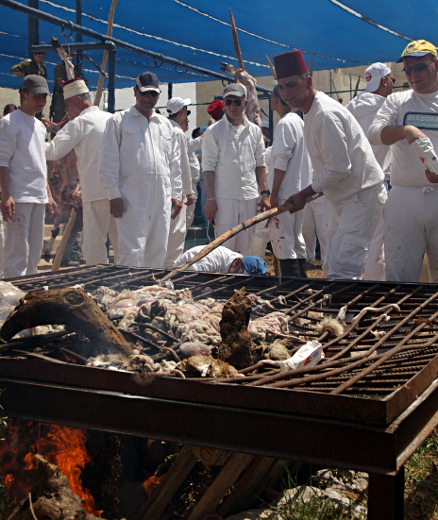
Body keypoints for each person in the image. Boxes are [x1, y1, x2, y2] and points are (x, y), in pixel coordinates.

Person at [274, 50, 386, 280]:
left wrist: (305, 193)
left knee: (343, 270)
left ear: (308, 82)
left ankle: (344, 316)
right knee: (332, 266)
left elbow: (338, 168)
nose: (286, 93)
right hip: (345, 198)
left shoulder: (324, 115)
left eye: (292, 85)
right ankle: (337, 314)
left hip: (360, 197)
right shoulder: (311, 111)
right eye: (282, 87)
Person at [368, 40, 438, 282]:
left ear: (436, 64)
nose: (412, 75)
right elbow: (375, 133)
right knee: (400, 274)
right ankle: (403, 320)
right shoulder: (397, 101)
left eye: (419, 68)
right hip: (404, 197)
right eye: (407, 70)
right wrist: (406, 130)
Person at [99, 71, 182, 268]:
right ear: (135, 92)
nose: (148, 98)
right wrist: (113, 194)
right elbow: (108, 160)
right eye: (144, 93)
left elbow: (174, 162)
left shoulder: (165, 125)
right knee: (131, 250)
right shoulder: (118, 121)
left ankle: (149, 292)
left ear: (159, 95)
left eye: (152, 94)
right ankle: (128, 294)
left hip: (161, 198)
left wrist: (176, 194)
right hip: (131, 198)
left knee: (158, 248)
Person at [45, 78, 117, 266]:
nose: (66, 111)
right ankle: (125, 284)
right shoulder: (113, 119)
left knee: (94, 247)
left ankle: (98, 285)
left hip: (94, 194)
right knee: (122, 245)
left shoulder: (80, 123)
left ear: (78, 101)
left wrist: (23, 146)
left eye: (67, 105)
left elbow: (52, 151)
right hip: (118, 193)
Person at [202, 83, 270, 256]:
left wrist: (265, 194)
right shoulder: (214, 132)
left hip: (249, 196)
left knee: (247, 246)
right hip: (224, 198)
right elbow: (208, 168)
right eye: (229, 102)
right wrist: (210, 199)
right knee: (225, 248)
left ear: (245, 104)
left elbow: (260, 165)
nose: (232, 106)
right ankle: (224, 282)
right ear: (224, 104)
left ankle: (244, 282)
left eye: (237, 102)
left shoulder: (255, 132)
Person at [0, 75, 56, 278]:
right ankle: (12, 302)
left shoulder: (40, 126)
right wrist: (6, 194)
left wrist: (47, 193)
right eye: (37, 96)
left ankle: (31, 297)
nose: (41, 101)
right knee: (17, 253)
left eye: (44, 97)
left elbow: (40, 161)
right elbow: (2, 161)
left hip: (37, 195)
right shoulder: (9, 123)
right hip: (19, 196)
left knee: (33, 254)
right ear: (23, 95)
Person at [347, 62, 395, 280]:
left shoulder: (351, 107)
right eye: (392, 79)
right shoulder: (389, 108)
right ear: (384, 81)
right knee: (377, 242)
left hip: (350, 184)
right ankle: (373, 291)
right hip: (376, 183)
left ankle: (349, 289)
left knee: (351, 241)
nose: (394, 83)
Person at [267, 85, 313, 277]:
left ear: (277, 99)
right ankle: (301, 285)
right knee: (296, 238)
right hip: (298, 190)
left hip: (286, 192)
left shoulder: (285, 124)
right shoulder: (299, 122)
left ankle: (291, 288)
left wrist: (274, 193)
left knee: (284, 239)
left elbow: (281, 161)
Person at [164, 97, 196, 266]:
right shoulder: (177, 133)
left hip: (161, 190)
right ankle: (170, 271)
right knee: (175, 234)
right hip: (175, 192)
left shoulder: (160, 128)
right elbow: (182, 165)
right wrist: (188, 192)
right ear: (181, 112)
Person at [175, 244, 268, 274]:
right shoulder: (207, 261)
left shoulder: (235, 260)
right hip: (185, 274)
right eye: (242, 273)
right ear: (237, 262)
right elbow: (194, 284)